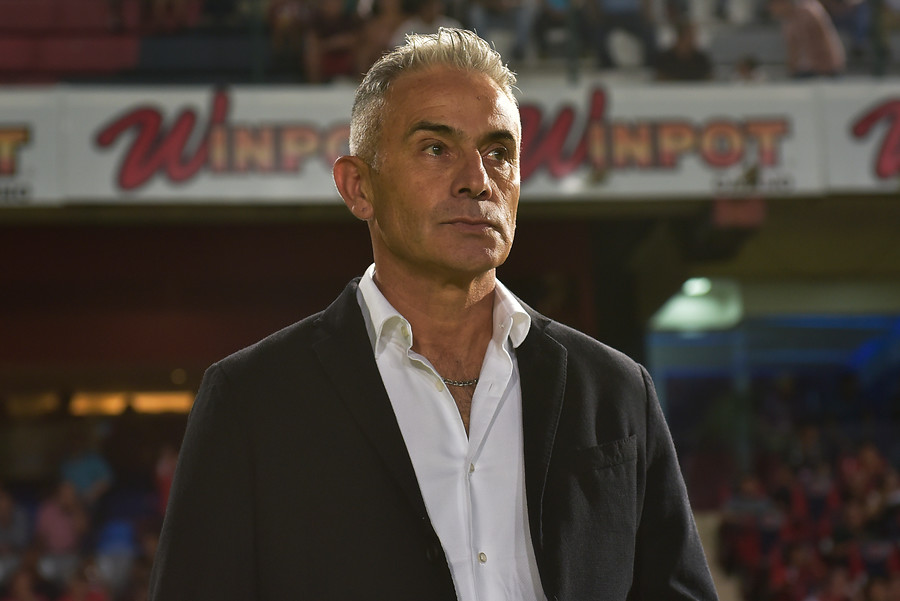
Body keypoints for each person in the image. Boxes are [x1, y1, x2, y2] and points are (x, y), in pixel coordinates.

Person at [148, 27, 718, 601]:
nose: (477, 181)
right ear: (358, 187)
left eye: (498, 153)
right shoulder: (251, 399)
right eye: (435, 149)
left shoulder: (617, 389)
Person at [768, 0, 846, 78]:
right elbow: (793, 53)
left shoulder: (806, 12)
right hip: (813, 69)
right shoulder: (789, 19)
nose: (771, 9)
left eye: (773, 5)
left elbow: (813, 49)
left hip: (826, 69)